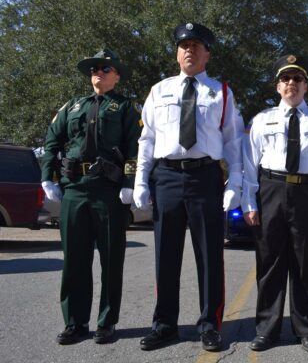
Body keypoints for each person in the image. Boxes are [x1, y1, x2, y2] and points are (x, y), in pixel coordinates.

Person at [134, 22, 244, 352]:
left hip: (205, 177)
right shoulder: (159, 90)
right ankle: (164, 324)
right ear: (177, 51)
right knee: (166, 256)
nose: (190, 50)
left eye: (197, 46)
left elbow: (233, 142)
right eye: (184, 45)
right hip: (167, 177)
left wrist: (234, 182)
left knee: (210, 256)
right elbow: (147, 139)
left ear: (207, 53)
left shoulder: (221, 92)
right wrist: (141, 179)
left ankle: (210, 324)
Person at [242, 55, 308, 353]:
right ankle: (266, 330)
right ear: (278, 86)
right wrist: (249, 201)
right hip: (271, 190)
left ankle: (305, 329)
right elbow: (249, 165)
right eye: (286, 79)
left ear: (306, 86)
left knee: (305, 264)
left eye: (297, 79)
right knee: (270, 263)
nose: (292, 84)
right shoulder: (261, 120)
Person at [41, 48, 141, 345]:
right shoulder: (72, 106)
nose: (99, 72)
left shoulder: (126, 108)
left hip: (109, 191)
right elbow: (51, 141)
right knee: (75, 259)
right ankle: (75, 322)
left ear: (117, 76)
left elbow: (136, 148)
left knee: (111, 260)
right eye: (95, 68)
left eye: (106, 69)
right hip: (74, 189)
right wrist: (49, 176)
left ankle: (107, 322)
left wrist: (130, 181)